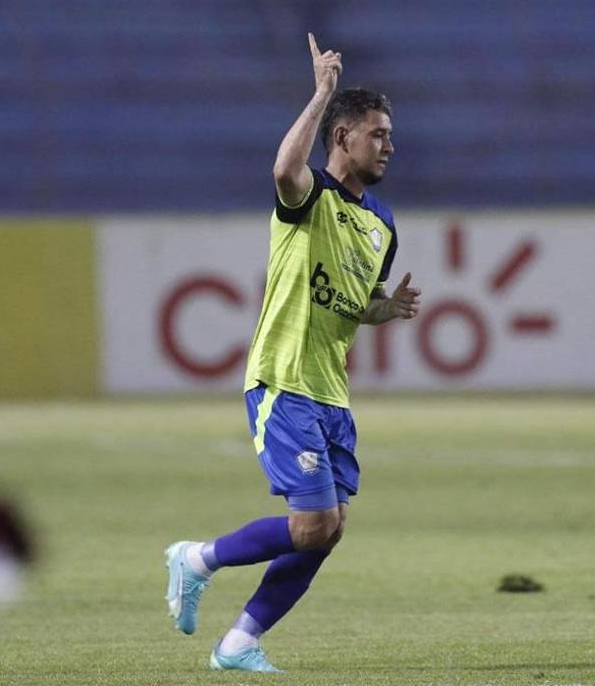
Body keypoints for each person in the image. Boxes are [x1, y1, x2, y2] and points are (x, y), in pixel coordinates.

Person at [165, 35, 422, 672]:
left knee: (328, 531)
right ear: (342, 137)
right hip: (283, 380)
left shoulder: (382, 224)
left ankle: (238, 643)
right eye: (378, 134)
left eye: (390, 136)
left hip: (331, 391)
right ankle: (196, 559)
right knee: (311, 525)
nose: (389, 146)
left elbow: (357, 302)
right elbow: (284, 170)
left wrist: (384, 308)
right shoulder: (309, 196)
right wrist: (321, 93)